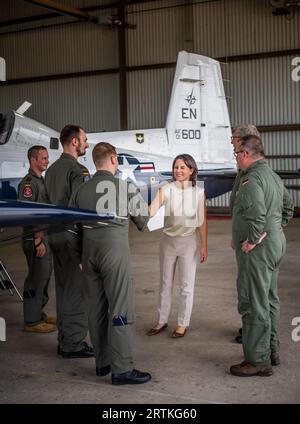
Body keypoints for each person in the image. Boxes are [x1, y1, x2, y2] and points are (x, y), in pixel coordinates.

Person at [69, 142, 151, 385]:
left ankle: (102, 363)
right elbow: (143, 220)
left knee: (95, 309)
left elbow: (71, 229)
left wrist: (79, 258)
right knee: (120, 307)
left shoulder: (80, 191)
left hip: (89, 253)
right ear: (114, 159)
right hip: (114, 252)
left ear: (95, 161)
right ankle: (122, 368)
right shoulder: (125, 187)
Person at [230, 135, 294, 377]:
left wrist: (254, 239)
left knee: (253, 301)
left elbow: (256, 213)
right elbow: (288, 207)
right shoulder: (273, 176)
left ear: (245, 154)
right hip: (275, 246)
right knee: (269, 299)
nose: (235, 158)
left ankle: (257, 360)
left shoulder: (252, 178)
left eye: (236, 153)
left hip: (258, 251)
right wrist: (274, 229)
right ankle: (271, 349)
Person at [44, 124, 94, 358]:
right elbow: (81, 207)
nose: (86, 143)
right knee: (76, 290)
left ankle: (64, 340)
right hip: (70, 236)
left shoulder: (51, 170)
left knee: (63, 289)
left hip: (53, 234)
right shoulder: (78, 170)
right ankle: (73, 344)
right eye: (84, 139)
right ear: (74, 142)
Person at [147, 154, 208, 338]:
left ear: (191, 170)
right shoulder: (166, 189)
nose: (178, 171)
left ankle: (182, 323)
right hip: (168, 242)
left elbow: (202, 222)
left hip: (188, 242)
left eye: (182, 167)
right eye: (176, 167)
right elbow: (151, 211)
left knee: (186, 286)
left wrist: (204, 245)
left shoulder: (198, 192)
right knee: (165, 283)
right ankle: (162, 320)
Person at [18, 146, 55, 333]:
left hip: (42, 236)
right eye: (43, 158)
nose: (47, 161)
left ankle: (38, 313)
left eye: (47, 158)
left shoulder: (40, 181)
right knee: (35, 279)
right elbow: (28, 214)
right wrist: (37, 240)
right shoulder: (28, 184)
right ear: (33, 160)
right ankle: (31, 321)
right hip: (35, 238)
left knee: (43, 277)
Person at [230, 124, 261, 344]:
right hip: (245, 234)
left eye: (234, 139)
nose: (231, 142)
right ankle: (248, 326)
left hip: (252, 240)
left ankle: (253, 331)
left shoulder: (252, 172)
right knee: (248, 286)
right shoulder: (244, 169)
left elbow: (258, 211)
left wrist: (254, 237)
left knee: (250, 287)